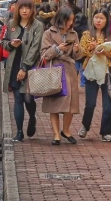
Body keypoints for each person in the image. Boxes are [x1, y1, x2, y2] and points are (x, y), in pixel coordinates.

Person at [40, 7, 84, 145]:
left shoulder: (73, 33)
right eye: (68, 20)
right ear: (61, 19)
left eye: (72, 20)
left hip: (70, 71)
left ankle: (66, 130)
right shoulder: (48, 33)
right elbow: (44, 53)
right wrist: (58, 49)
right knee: (54, 103)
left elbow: (77, 55)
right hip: (54, 70)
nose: (70, 23)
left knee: (70, 104)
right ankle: (56, 134)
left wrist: (77, 50)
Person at [1, 0, 43, 142]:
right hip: (13, 65)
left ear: (32, 10)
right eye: (22, 8)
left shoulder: (37, 25)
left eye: (28, 8)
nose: (24, 11)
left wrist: (24, 67)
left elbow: (35, 48)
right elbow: (4, 42)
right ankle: (19, 132)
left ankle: (32, 117)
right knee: (18, 98)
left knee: (28, 98)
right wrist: (11, 44)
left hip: (30, 67)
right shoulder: (11, 24)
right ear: (17, 9)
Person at [78, 8, 111, 142]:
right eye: (96, 17)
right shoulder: (86, 35)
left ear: (107, 20)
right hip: (91, 71)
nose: (98, 20)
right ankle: (85, 125)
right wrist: (91, 49)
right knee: (90, 103)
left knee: (108, 103)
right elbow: (81, 51)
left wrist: (104, 52)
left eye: (102, 18)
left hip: (107, 71)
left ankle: (107, 132)